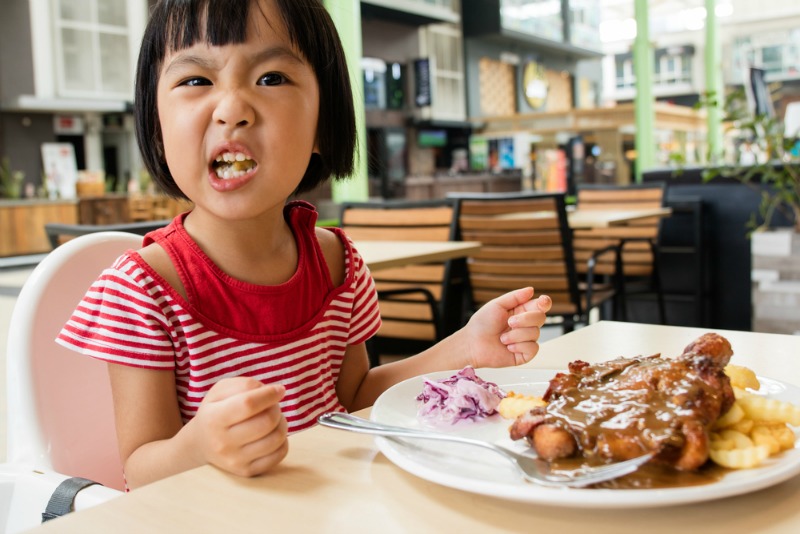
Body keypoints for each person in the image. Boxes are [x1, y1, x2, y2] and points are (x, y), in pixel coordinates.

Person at [57, 0, 552, 489]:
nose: (232, 109)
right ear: (157, 123)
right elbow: (140, 471)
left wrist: (463, 346)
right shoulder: (143, 290)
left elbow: (356, 395)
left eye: (271, 78)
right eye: (196, 80)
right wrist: (202, 445)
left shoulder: (337, 263)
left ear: (323, 122)